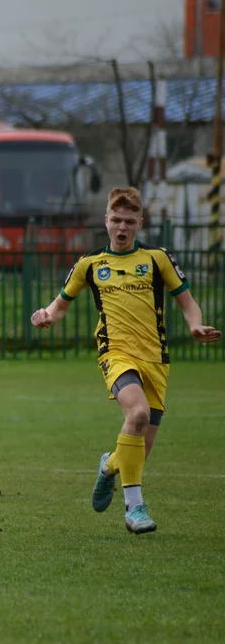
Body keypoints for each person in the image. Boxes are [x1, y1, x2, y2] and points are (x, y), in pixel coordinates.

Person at [30, 187, 220, 534]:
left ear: (139, 223)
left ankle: (108, 466)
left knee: (138, 451)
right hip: (115, 354)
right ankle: (135, 510)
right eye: (115, 220)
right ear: (106, 221)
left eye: (129, 222)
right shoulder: (90, 265)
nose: (121, 227)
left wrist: (195, 325)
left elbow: (188, 303)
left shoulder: (157, 259)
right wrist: (44, 315)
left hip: (156, 359)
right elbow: (58, 307)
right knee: (137, 413)